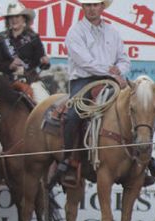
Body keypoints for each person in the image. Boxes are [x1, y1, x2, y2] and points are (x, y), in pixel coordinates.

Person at [57, 0, 132, 179]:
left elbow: (124, 59)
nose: (91, 9)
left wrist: (119, 70)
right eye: (88, 5)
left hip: (110, 80)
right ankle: (68, 160)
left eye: (95, 5)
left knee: (136, 109)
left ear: (102, 7)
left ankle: (142, 160)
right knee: (73, 115)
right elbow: (85, 62)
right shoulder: (75, 31)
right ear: (83, 8)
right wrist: (111, 71)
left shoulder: (113, 32)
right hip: (83, 81)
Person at [0, 1, 50, 102]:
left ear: (24, 18)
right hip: (7, 82)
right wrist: (10, 65)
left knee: (45, 104)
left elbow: (41, 64)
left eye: (17, 16)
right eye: (11, 17)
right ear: (8, 20)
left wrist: (45, 62)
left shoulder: (34, 38)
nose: (14, 20)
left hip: (30, 82)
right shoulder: (1, 38)